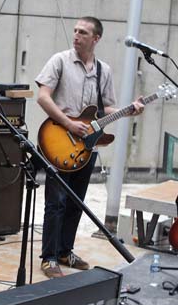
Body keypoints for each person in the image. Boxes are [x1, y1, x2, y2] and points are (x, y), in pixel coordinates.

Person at [35, 16, 143, 279]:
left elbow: (107, 108)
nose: (76, 35)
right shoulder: (59, 60)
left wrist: (130, 111)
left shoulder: (103, 70)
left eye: (83, 32)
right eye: (75, 31)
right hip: (59, 139)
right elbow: (42, 97)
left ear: (96, 39)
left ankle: (64, 251)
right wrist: (69, 124)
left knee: (75, 202)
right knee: (56, 202)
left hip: (87, 148)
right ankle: (48, 258)